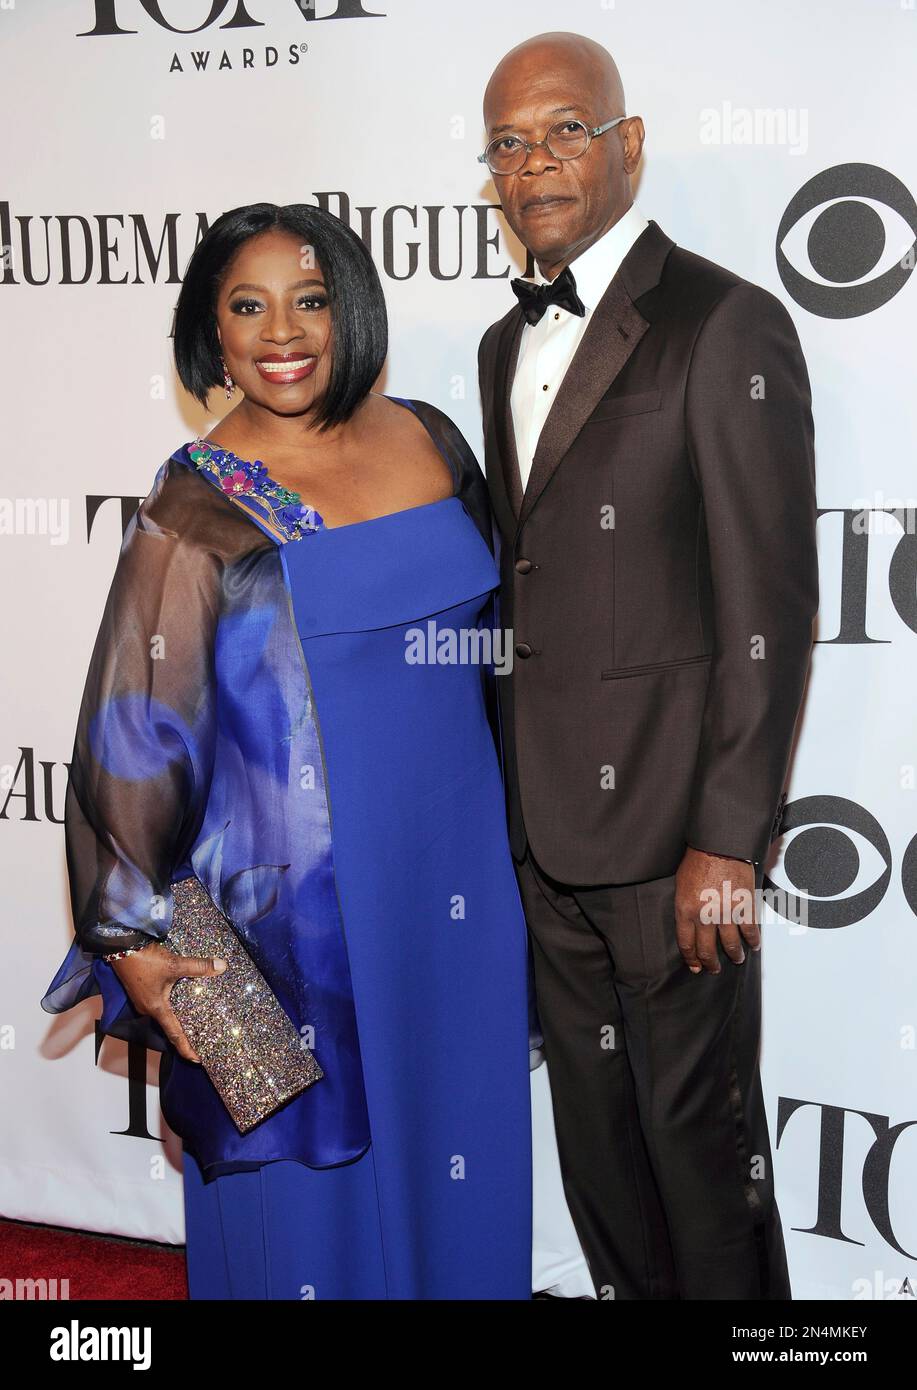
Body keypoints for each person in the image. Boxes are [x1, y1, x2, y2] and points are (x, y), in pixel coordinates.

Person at [41, 202, 532, 1300]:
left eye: (309, 298)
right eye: (246, 306)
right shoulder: (192, 506)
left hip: (454, 896)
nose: (283, 330)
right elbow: (130, 733)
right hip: (280, 926)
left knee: (460, 1169)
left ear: (348, 304)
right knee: (296, 1224)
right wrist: (131, 944)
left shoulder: (429, 435)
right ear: (211, 335)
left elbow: (501, 653)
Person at [477, 32, 818, 1300]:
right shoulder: (500, 350)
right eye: (507, 144)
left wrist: (727, 845)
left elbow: (767, 604)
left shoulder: (724, 319)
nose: (535, 162)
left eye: (565, 129)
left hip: (685, 855)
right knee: (600, 1167)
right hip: (546, 844)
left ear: (626, 146)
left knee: (702, 1166)